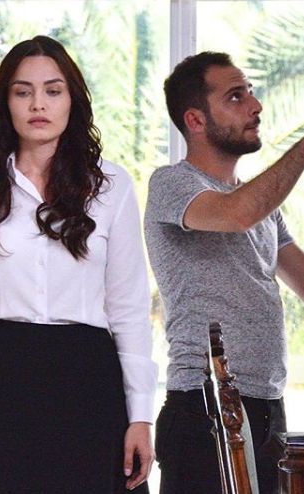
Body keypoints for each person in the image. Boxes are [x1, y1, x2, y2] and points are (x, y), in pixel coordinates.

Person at [0, 35, 157, 494]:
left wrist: (140, 416)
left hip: (89, 383)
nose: (38, 104)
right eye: (22, 91)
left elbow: (128, 308)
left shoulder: (111, 186)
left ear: (72, 101)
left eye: (53, 90)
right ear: (5, 102)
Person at [144, 51, 304, 494]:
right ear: (195, 120)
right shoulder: (172, 184)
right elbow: (237, 214)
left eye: (249, 92)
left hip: (267, 408)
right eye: (236, 96)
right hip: (204, 410)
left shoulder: (265, 209)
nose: (255, 105)